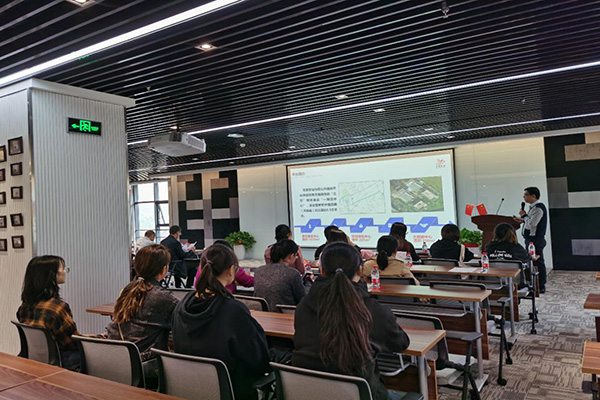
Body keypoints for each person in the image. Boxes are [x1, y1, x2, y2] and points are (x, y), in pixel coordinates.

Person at [292, 242, 410, 400]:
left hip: (308, 393)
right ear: (360, 270)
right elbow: (400, 342)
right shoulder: (372, 311)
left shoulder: (303, 306)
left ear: (322, 271)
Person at [172, 244, 270, 400]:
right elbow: (258, 360)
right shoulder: (234, 310)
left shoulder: (181, 306)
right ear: (231, 270)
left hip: (188, 388)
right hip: (232, 390)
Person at [107, 244, 178, 384]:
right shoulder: (164, 298)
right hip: (144, 366)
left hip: (116, 361)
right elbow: (180, 326)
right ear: (164, 269)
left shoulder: (128, 290)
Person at [17, 256, 82, 370]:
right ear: (52, 275)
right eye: (63, 268)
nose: (65, 272)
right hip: (64, 362)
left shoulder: (24, 308)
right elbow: (72, 343)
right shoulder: (57, 308)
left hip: (37, 361)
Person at [254, 239, 310, 312]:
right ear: (290, 256)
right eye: (296, 255)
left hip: (261, 315)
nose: (296, 258)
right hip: (286, 315)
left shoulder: (258, 271)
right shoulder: (292, 274)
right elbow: (303, 299)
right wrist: (309, 281)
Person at [513, 186, 548, 293]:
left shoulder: (538, 208)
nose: (524, 197)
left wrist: (523, 216)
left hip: (535, 239)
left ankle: (541, 285)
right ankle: (533, 283)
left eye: (526, 195)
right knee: (532, 262)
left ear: (533, 196)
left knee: (538, 262)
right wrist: (522, 219)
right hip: (530, 239)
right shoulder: (533, 207)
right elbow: (529, 221)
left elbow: (532, 224)